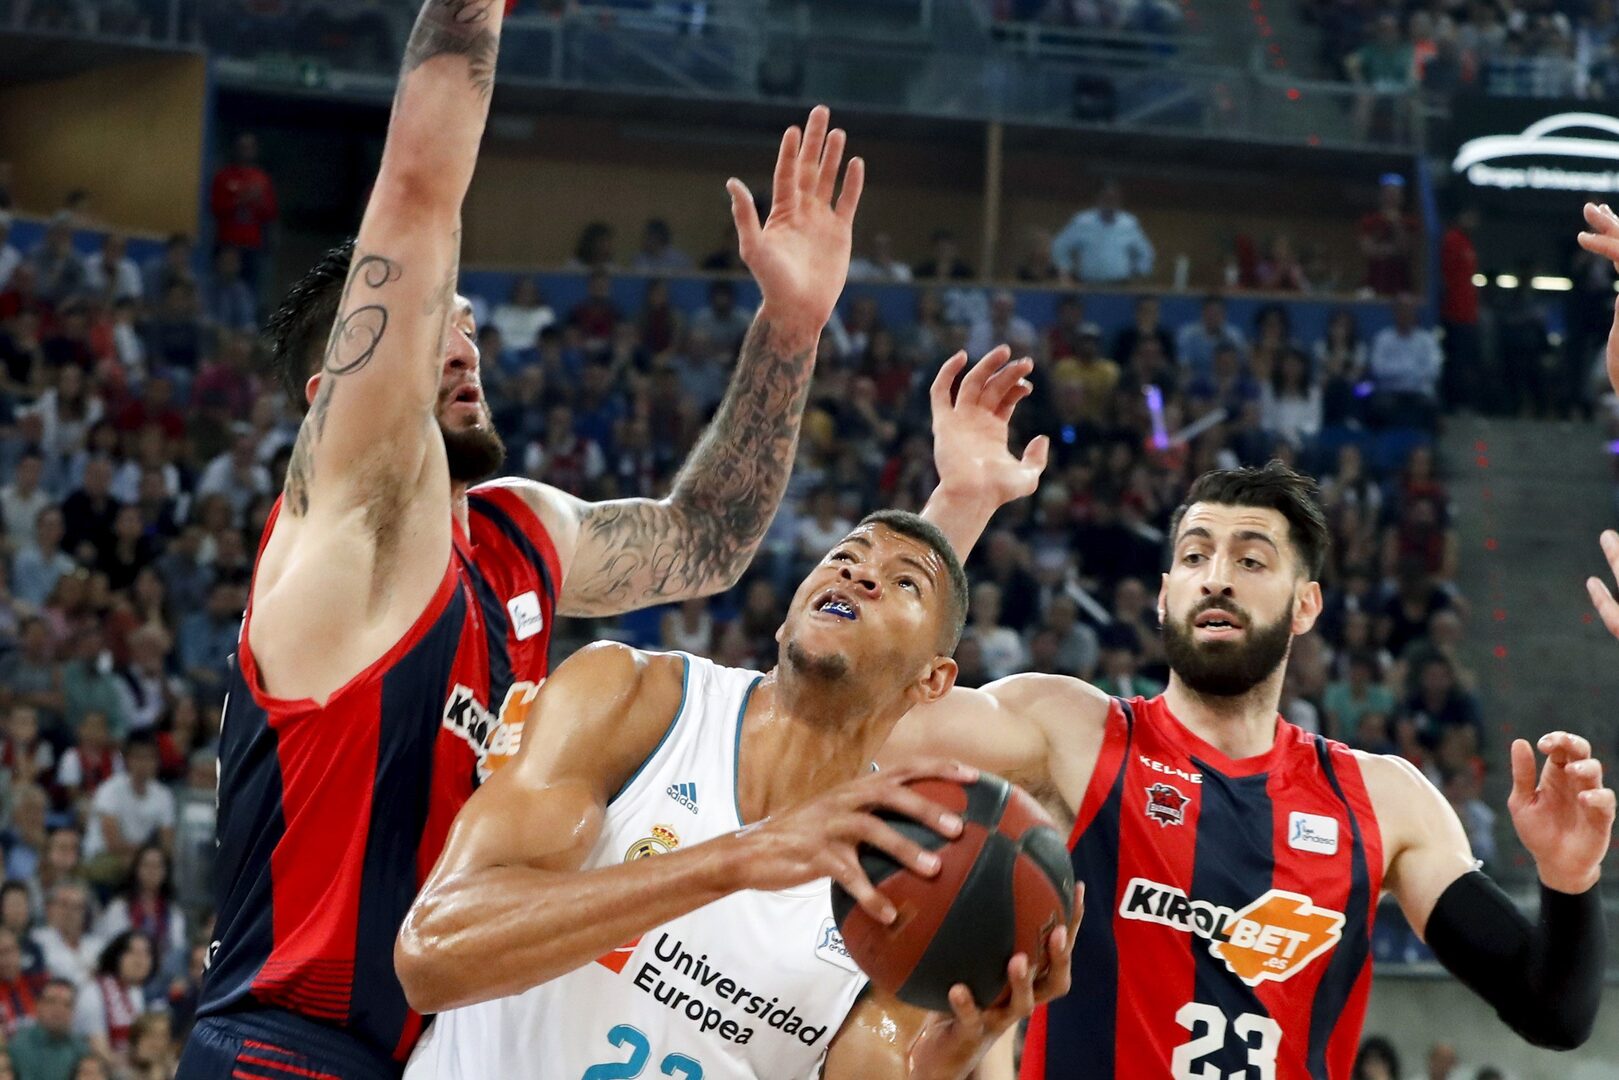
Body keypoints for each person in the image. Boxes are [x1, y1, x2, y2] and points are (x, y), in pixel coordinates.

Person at [185, 4, 863, 1071]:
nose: (460, 346)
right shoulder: (345, 524)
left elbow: (708, 538)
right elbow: (418, 191)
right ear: (332, 400)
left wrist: (791, 325)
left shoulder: (519, 534)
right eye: (432, 327)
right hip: (291, 1046)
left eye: (467, 325)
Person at [396, 350, 1063, 1079]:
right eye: (844, 556)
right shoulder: (636, 698)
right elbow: (434, 956)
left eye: (904, 582)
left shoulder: (907, 865)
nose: (859, 573)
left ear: (934, 681)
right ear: (783, 620)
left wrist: (946, 1060)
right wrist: (734, 860)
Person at [886, 461, 1610, 1077]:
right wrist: (961, 501)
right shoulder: (1071, 730)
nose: (1216, 579)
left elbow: (1551, 1011)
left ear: (1305, 605)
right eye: (1194, 557)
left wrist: (1568, 877)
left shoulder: (1384, 799)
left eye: (1251, 560)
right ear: (1164, 594)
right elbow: (877, 719)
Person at [1050, 179, 1155, 286]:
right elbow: (1060, 247)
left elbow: (1146, 253)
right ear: (1099, 198)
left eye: (1114, 198)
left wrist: (1139, 273)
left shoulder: (1129, 223)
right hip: (1087, 284)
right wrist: (1066, 271)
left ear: (1119, 200)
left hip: (1120, 285)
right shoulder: (1082, 221)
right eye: (1106, 197)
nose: (1110, 202)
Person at [8, 979, 89, 1080]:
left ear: (74, 1012)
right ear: (38, 1005)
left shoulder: (81, 1050)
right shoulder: (17, 1047)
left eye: (67, 1005)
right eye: (51, 1001)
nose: (58, 1009)